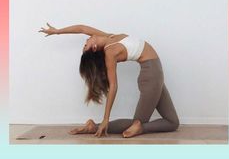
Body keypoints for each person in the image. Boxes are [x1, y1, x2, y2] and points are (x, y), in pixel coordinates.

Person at [38, 23, 179, 138]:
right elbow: (113, 86)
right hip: (151, 75)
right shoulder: (110, 52)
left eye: (84, 44)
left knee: (172, 122)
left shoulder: (108, 37)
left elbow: (81, 28)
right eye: (85, 45)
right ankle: (108, 126)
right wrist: (106, 118)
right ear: (94, 48)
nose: (86, 41)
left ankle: (94, 126)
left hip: (154, 74)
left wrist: (57, 31)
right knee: (137, 123)